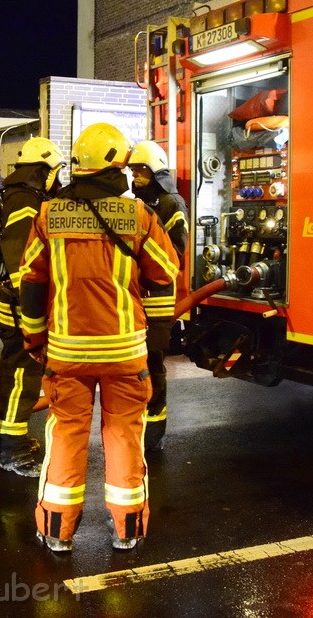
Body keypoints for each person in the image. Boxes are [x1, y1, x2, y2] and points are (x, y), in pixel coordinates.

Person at [19, 123, 179, 553]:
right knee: (125, 435)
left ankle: (56, 531)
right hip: (126, 352)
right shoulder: (140, 216)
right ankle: (127, 530)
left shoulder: (48, 215)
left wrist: (34, 339)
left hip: (66, 351)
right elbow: (167, 271)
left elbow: (30, 281)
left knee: (67, 434)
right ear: (118, 167)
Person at [0, 137, 65, 476]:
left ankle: (2, 434)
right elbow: (23, 262)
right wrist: (33, 310)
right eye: (56, 172)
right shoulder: (24, 203)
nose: (58, 179)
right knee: (24, 373)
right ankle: (13, 449)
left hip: (8, 303)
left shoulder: (18, 196)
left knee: (11, 370)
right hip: (21, 306)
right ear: (43, 170)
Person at [128, 141, 189, 452]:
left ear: (154, 170)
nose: (135, 176)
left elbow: (176, 252)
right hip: (136, 298)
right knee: (134, 365)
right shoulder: (136, 203)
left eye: (140, 170)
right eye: (133, 170)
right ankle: (138, 422)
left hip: (158, 297)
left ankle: (155, 431)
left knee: (153, 363)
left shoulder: (171, 203)